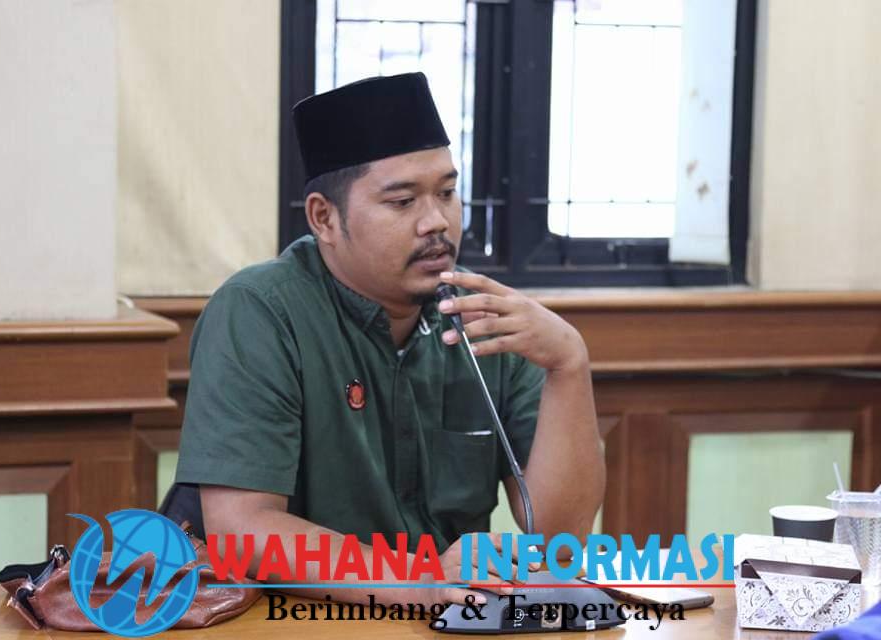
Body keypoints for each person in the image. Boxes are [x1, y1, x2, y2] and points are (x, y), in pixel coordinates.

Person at [174, 72, 604, 606]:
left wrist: (569, 365)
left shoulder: (484, 316)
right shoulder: (261, 311)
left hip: (445, 617)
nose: (436, 222)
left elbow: (560, 542)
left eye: (447, 193)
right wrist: (420, 580)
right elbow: (243, 530)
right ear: (324, 218)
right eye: (402, 202)